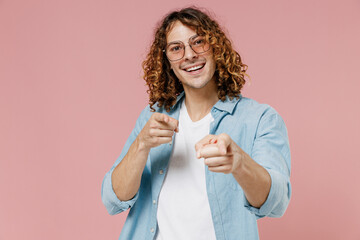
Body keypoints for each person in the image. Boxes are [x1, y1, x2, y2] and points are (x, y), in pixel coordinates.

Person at [101, 7, 291, 240]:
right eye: (176, 48)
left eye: (198, 42)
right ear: (167, 61)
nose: (189, 55)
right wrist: (141, 145)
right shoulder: (152, 119)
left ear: (216, 48)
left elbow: (277, 202)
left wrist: (239, 163)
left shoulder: (259, 119)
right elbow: (113, 200)